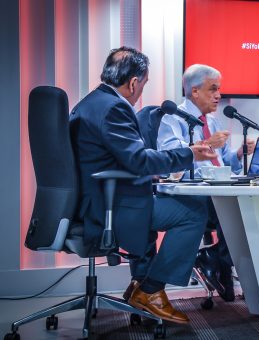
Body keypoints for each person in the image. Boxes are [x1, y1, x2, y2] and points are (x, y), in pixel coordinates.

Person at [69, 46, 217, 324]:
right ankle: (151, 289)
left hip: (93, 201)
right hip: (110, 209)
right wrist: (189, 154)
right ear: (134, 82)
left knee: (163, 202)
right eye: (144, 84)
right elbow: (138, 160)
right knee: (193, 212)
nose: (141, 92)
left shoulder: (89, 103)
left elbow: (114, 158)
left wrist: (151, 173)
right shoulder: (114, 108)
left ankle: (141, 284)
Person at [157, 64, 255, 301]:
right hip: (195, 197)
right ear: (194, 91)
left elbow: (222, 162)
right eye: (213, 89)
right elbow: (171, 157)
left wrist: (239, 154)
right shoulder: (173, 118)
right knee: (237, 209)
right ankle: (219, 260)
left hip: (218, 192)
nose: (218, 95)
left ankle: (219, 260)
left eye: (219, 89)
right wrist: (209, 143)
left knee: (254, 207)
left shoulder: (213, 120)